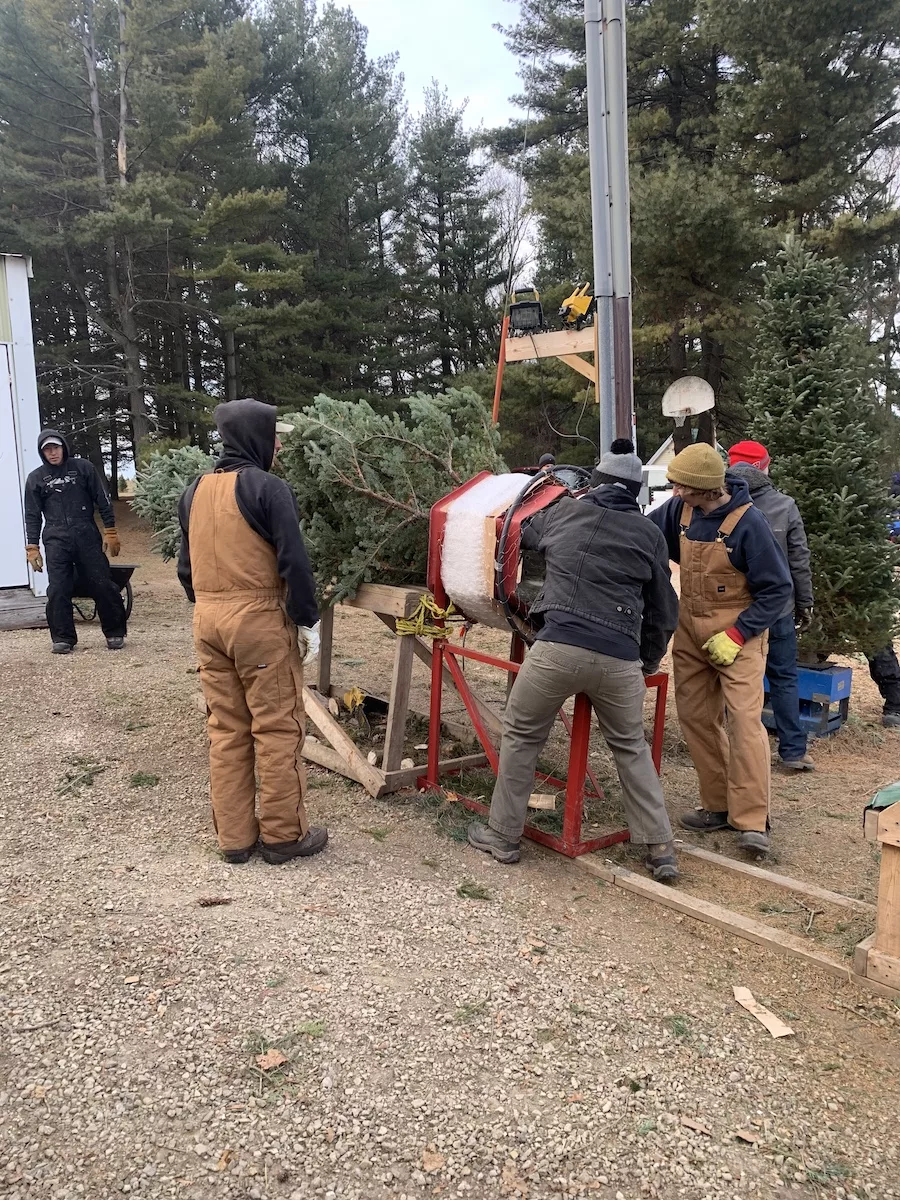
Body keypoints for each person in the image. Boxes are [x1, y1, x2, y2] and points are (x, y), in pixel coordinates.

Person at [468, 439, 682, 881]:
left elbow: (520, 530)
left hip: (558, 648)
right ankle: (660, 847)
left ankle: (503, 836)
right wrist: (646, 662)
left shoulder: (565, 513)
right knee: (631, 747)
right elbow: (664, 611)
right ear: (635, 492)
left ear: (596, 482)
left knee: (523, 733)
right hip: (620, 657)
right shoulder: (649, 534)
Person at [177, 399, 327, 866]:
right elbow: (294, 563)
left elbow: (186, 569)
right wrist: (307, 618)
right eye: (274, 436)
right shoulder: (268, 488)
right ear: (257, 437)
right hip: (258, 621)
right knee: (277, 727)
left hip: (208, 621)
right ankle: (284, 837)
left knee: (225, 729)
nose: (278, 444)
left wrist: (210, 608)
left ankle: (235, 840)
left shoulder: (193, 491)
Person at [649, 443, 792, 856]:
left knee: (745, 722)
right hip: (690, 629)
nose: (675, 494)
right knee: (695, 716)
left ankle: (751, 821)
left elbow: (778, 590)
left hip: (739, 634)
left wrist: (737, 634)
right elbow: (647, 535)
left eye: (681, 487)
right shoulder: (679, 512)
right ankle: (717, 805)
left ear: (706, 488)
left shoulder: (751, 525)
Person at [727, 440, 815, 771]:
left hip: (734, 611)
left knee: (733, 677)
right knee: (784, 678)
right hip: (777, 609)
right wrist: (804, 602)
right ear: (766, 466)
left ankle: (735, 745)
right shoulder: (784, 505)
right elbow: (799, 559)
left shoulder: (720, 505)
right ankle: (792, 751)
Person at [23, 429, 127, 654]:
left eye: (56, 448)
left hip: (86, 534)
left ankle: (115, 632)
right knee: (58, 588)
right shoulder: (36, 478)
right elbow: (31, 515)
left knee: (102, 583)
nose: (53, 453)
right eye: (47, 449)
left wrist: (110, 530)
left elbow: (103, 500)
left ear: (64, 447)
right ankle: (63, 638)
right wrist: (32, 547)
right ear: (42, 453)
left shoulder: (83, 468)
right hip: (55, 538)